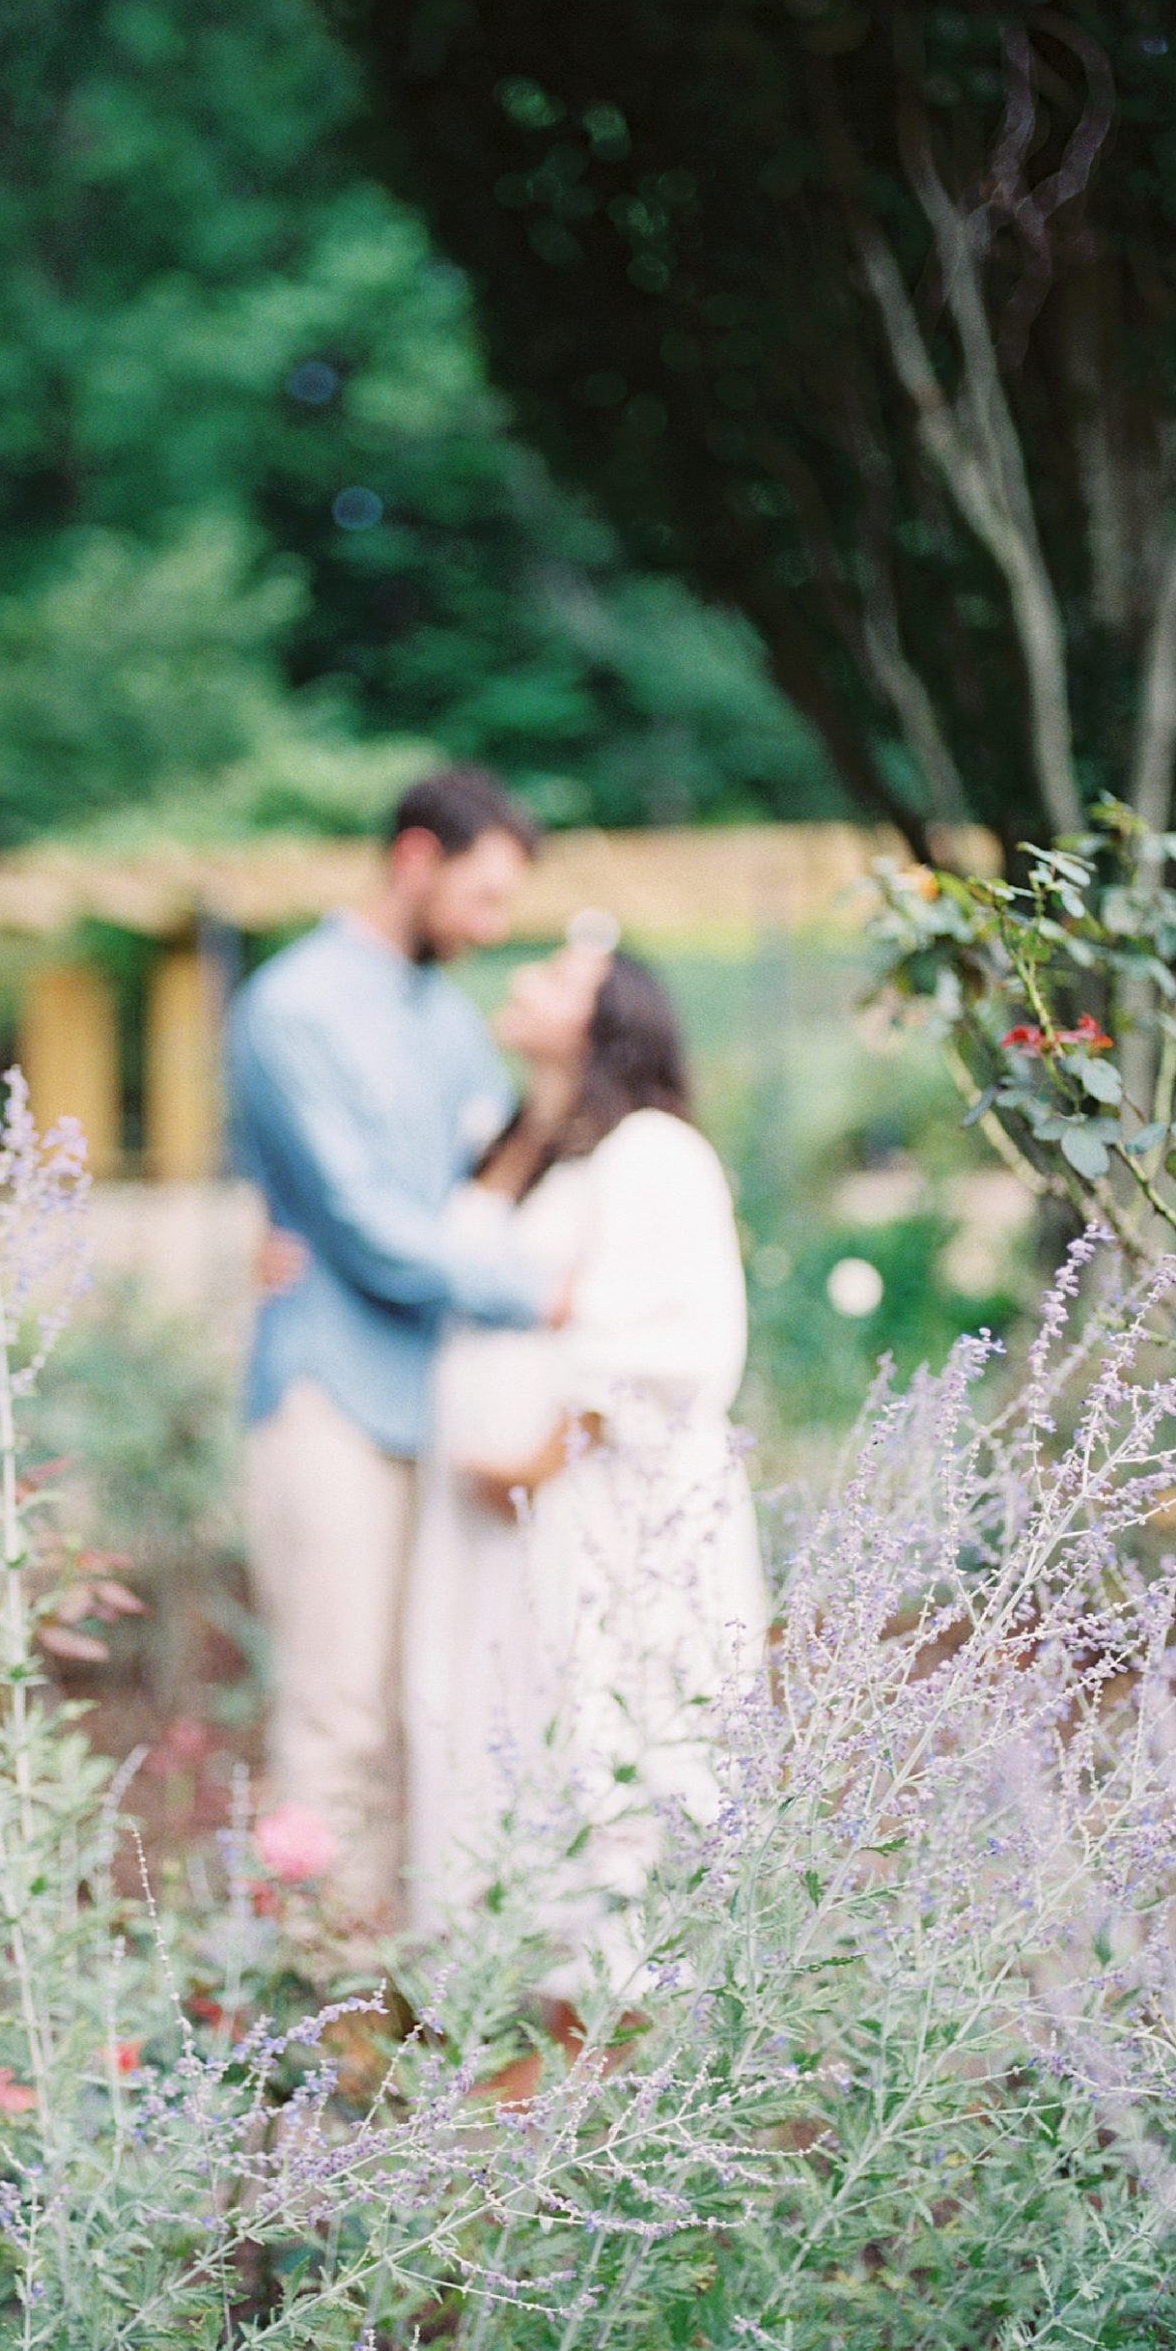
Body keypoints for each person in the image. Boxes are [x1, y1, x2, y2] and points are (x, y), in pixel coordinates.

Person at [401, 927, 766, 1999]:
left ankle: (618, 2009)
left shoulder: (652, 1150)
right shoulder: (525, 1143)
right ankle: (511, 1990)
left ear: (612, 1020)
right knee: (514, 1726)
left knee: (608, 1722)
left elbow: (672, 1341)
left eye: (558, 975)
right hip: (506, 1522)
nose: (522, 980)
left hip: (603, 1506)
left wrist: (537, 1457)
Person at [224, 767, 561, 1924]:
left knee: (435, 1701)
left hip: (443, 1400)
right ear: (414, 856)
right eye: (483, 892)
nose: (493, 925)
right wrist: (538, 1291)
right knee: (334, 1713)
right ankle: (322, 2007)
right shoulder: (292, 1005)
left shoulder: (449, 1016)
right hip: (329, 1396)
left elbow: (484, 1182)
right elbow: (363, 1226)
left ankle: (416, 1984)